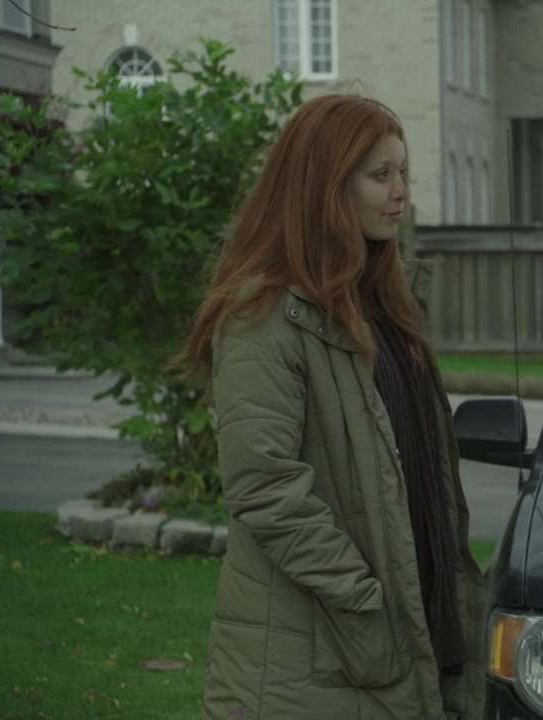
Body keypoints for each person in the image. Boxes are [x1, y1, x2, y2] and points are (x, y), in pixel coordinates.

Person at [179, 94, 484, 720]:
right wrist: (363, 598)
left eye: (404, 173)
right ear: (326, 187)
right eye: (380, 175)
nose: (400, 192)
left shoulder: (389, 309)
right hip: (319, 659)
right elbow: (264, 487)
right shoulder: (264, 318)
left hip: (414, 630)